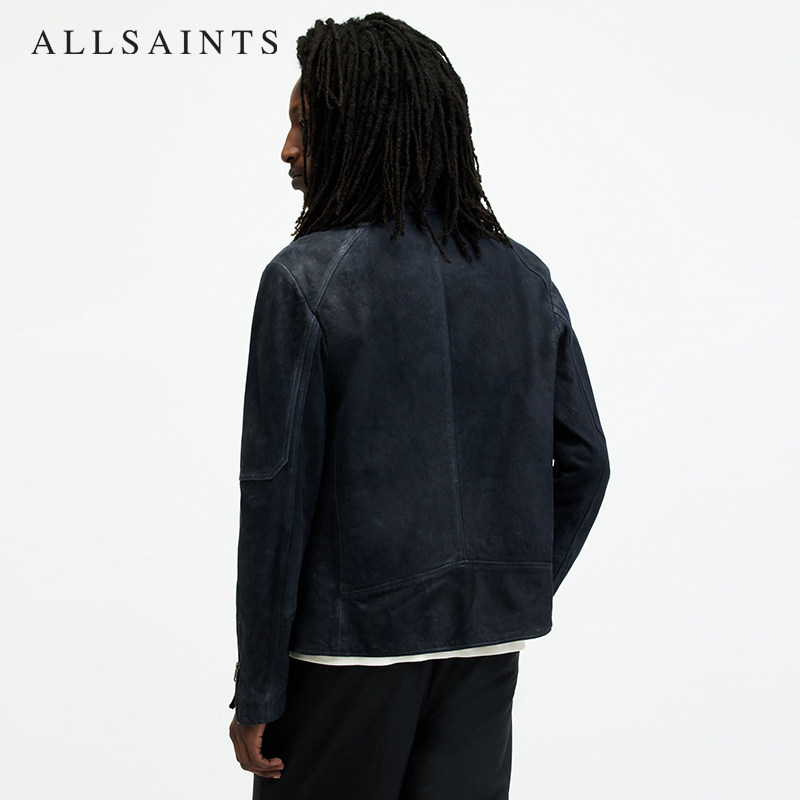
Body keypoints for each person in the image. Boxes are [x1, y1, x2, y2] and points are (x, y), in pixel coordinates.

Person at [228, 12, 610, 799]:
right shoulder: (524, 277)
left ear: (361, 127)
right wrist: (509, 592)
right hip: (482, 653)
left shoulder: (305, 278)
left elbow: (276, 501)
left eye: (305, 124)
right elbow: (586, 465)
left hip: (344, 661)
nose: (287, 149)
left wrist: (258, 687)